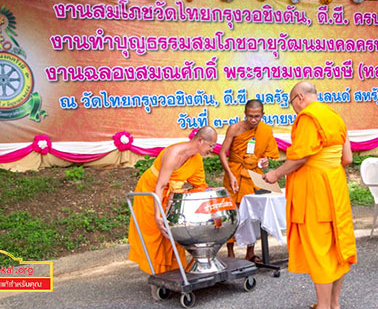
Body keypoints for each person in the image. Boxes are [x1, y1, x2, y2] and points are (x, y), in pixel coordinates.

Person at [263, 81, 356, 309]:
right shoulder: (335, 116)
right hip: (336, 187)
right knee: (337, 246)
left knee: (320, 249)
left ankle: (323, 306)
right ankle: (334, 303)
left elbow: (300, 158)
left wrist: (275, 173)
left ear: (300, 98)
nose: (294, 108)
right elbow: (347, 159)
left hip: (316, 191)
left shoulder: (308, 117)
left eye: (292, 103)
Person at [127, 126, 218, 275]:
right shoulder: (174, 153)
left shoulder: (196, 160)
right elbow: (160, 185)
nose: (212, 150)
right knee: (155, 231)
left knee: (172, 233)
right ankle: (156, 276)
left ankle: (175, 273)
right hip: (151, 192)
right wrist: (158, 215)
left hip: (171, 197)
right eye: (211, 145)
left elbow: (200, 185)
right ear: (200, 140)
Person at [219, 99, 279, 262]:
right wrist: (230, 174)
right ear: (245, 114)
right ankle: (230, 253)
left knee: (253, 212)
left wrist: (265, 160)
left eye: (257, 116)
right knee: (232, 212)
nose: (254, 120)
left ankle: (250, 252)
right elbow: (222, 153)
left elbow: (267, 153)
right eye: (251, 116)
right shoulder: (235, 128)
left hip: (254, 173)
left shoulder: (265, 130)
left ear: (262, 115)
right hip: (234, 172)